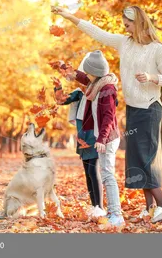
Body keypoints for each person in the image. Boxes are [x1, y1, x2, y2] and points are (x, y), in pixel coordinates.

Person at [52, 5, 162, 223]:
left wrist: (151, 77)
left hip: (149, 107)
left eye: (127, 23)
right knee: (136, 159)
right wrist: (70, 17)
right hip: (133, 108)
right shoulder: (124, 43)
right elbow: (97, 33)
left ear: (138, 21)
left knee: (145, 158)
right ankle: (150, 208)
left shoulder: (158, 49)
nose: (125, 27)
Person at [61, 50, 124, 227]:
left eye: (88, 71)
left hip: (108, 138)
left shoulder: (106, 89)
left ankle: (116, 215)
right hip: (102, 136)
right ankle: (112, 212)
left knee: (107, 175)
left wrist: (102, 138)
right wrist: (68, 70)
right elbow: (83, 78)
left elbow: (109, 116)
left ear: (95, 72)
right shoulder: (97, 84)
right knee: (105, 174)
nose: (86, 74)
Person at [52, 56, 106, 218]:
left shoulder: (100, 89)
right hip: (82, 131)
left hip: (93, 131)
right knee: (86, 169)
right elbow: (61, 101)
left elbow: (111, 105)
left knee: (93, 168)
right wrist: (57, 87)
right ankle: (94, 206)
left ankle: (100, 207)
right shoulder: (79, 93)